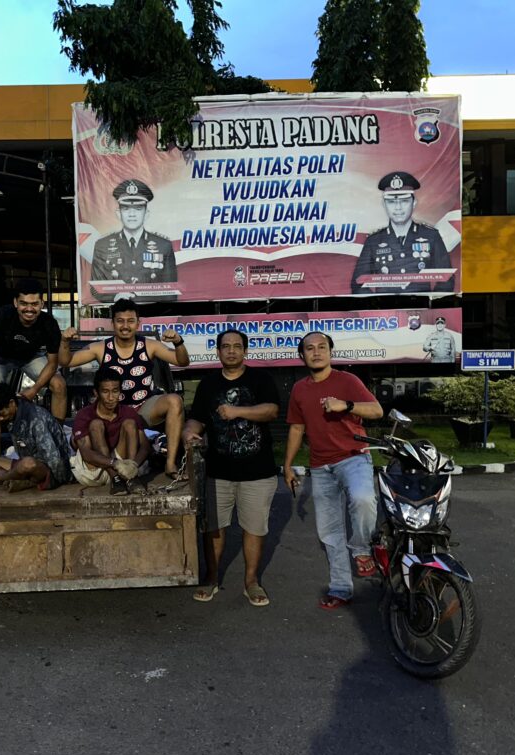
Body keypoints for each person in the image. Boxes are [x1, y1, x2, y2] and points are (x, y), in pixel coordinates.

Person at [282, 332, 384, 611]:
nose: (316, 352)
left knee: (363, 500)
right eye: (309, 348)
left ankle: (362, 550)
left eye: (322, 347)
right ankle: (340, 588)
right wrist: (287, 465)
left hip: (353, 458)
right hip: (320, 466)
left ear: (330, 352)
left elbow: (377, 410)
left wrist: (346, 406)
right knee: (329, 531)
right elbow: (296, 428)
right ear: (301, 355)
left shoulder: (347, 381)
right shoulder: (299, 390)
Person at [182, 329, 280, 607]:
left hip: (258, 471)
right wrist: (189, 433)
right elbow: (196, 420)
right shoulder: (208, 384)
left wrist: (238, 411)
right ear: (218, 352)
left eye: (238, 346)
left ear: (245, 351)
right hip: (218, 471)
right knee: (213, 528)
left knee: (254, 528)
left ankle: (251, 581)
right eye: (226, 346)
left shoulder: (260, 379)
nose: (232, 351)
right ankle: (212, 577)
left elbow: (272, 411)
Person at [59, 297, 189, 478]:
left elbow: (182, 361)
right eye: (120, 321)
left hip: (143, 410)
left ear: (138, 323)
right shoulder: (100, 348)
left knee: (175, 400)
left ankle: (170, 464)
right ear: (112, 323)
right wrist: (65, 341)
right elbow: (66, 361)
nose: (125, 326)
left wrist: (178, 342)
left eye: (130, 321)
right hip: (112, 413)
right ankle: (113, 474)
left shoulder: (149, 345)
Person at [0, 278, 67, 420]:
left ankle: (57, 436)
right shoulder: (1, 316)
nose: (29, 309)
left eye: (34, 304)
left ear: (41, 304)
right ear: (16, 303)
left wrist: (34, 389)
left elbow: (52, 364)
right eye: (24, 303)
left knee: (59, 384)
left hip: (29, 357)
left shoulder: (49, 324)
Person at [350, 171, 453, 294]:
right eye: (392, 202)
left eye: (404, 201)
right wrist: (377, 305)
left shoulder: (431, 236)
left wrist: (430, 304)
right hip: (385, 309)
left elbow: (446, 278)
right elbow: (358, 283)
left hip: (421, 308)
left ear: (414, 203)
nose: (398, 208)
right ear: (384, 204)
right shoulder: (373, 241)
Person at [0, 383, 73, 492]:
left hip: (45, 469)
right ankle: (15, 478)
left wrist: (60, 480)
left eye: (1, 414)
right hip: (22, 465)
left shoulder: (35, 419)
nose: (0, 419)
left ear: (12, 403)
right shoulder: (13, 416)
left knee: (28, 464)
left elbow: (55, 460)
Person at [70, 368, 151, 495]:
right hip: (95, 471)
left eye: (115, 391)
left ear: (120, 392)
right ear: (96, 393)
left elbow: (145, 446)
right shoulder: (84, 415)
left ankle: (131, 479)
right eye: (105, 392)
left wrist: (133, 465)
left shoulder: (128, 413)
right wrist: (114, 463)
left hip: (124, 469)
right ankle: (116, 479)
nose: (111, 397)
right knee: (96, 425)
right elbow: (86, 453)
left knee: (130, 424)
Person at [90, 179, 177, 286]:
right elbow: (95, 287)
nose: (132, 214)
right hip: (117, 303)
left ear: (146, 214)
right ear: (118, 213)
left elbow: (171, 290)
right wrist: (116, 296)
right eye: (126, 208)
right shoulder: (102, 245)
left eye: (138, 208)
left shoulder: (164, 245)